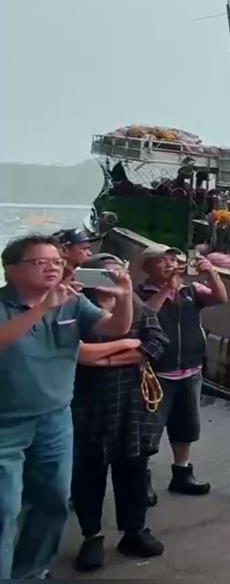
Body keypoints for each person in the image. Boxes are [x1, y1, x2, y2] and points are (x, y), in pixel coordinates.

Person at [0, 234, 134, 579]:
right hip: (5, 424)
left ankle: (30, 572)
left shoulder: (72, 302)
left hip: (55, 418)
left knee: (54, 499)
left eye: (57, 262)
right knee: (5, 508)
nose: (53, 268)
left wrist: (124, 296)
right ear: (11, 270)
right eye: (40, 262)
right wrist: (44, 307)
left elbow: (115, 327)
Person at [70, 253, 167, 571]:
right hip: (87, 404)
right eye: (104, 273)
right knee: (88, 474)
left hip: (132, 402)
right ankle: (92, 536)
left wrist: (107, 359)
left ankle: (134, 530)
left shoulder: (136, 305)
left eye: (116, 272)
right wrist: (128, 347)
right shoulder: (77, 307)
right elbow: (73, 355)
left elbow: (154, 344)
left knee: (134, 473)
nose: (111, 278)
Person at [135, 244, 228, 500]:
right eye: (163, 260)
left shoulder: (190, 290)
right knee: (148, 429)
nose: (171, 264)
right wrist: (166, 289)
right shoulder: (139, 292)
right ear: (148, 267)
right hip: (157, 374)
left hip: (190, 369)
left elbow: (220, 298)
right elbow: (143, 316)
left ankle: (182, 472)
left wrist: (211, 274)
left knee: (186, 426)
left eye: (173, 259)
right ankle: (141, 478)